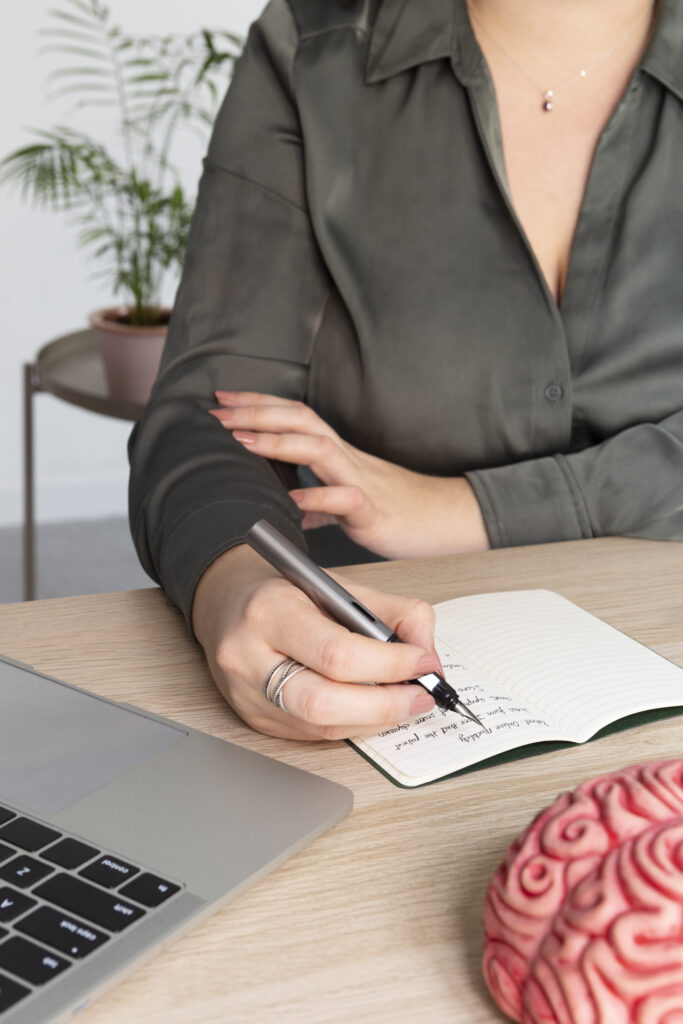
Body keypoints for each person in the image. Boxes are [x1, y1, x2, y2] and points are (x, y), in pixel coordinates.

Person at [128, 0, 683, 742]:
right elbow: (213, 410)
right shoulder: (315, 50)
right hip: (373, 681)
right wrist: (234, 582)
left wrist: (467, 510)